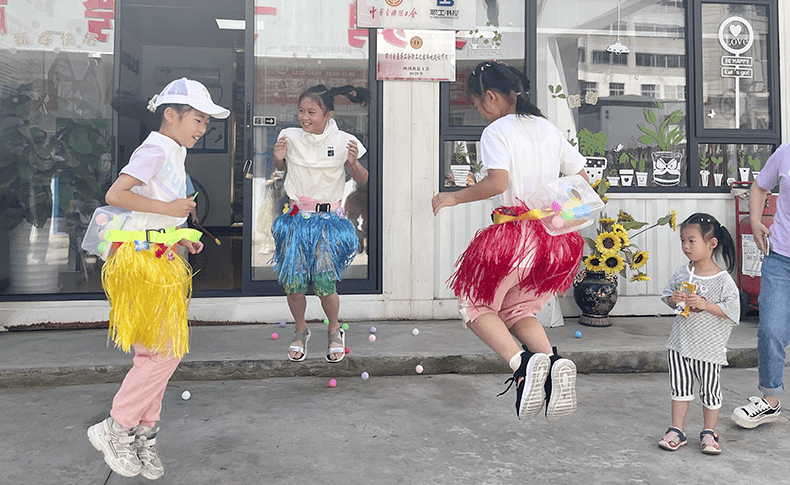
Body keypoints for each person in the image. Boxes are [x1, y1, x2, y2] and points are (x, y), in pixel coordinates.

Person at [87, 78, 229, 479]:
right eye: (198, 119)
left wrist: (179, 231)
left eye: (205, 121)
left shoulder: (172, 150)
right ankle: (116, 427)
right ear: (172, 115)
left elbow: (147, 215)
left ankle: (143, 435)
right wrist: (171, 209)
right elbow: (117, 195)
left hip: (157, 256)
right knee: (166, 353)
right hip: (141, 263)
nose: (202, 128)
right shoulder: (156, 147)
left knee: (155, 355)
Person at [431, 60, 589, 421]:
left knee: (474, 306)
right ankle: (551, 363)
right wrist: (549, 206)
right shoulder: (548, 129)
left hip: (514, 238)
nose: (478, 111)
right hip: (555, 243)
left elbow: (499, 184)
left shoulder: (497, 132)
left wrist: (453, 196)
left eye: (476, 104)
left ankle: (521, 366)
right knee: (518, 310)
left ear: (490, 96)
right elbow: (581, 177)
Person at [271, 84, 369, 363]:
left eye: (311, 112)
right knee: (294, 284)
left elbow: (363, 179)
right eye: (301, 111)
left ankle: (334, 330)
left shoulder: (345, 140)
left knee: (326, 284)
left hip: (328, 222)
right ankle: (301, 330)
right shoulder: (288, 136)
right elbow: (281, 168)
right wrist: (278, 160)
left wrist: (352, 163)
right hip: (296, 220)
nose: (304, 117)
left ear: (328, 115)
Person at [657, 213, 739, 455]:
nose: (686, 247)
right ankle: (677, 430)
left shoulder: (722, 280)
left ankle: (709, 432)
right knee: (679, 388)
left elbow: (734, 311)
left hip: (709, 348)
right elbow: (667, 295)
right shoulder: (683, 273)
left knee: (710, 390)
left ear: (711, 243)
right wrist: (673, 300)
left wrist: (705, 305)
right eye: (683, 241)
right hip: (680, 344)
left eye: (692, 241)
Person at [731, 145, 790, 429]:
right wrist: (755, 221)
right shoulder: (785, 153)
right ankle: (770, 401)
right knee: (771, 329)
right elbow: (759, 187)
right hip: (780, 258)